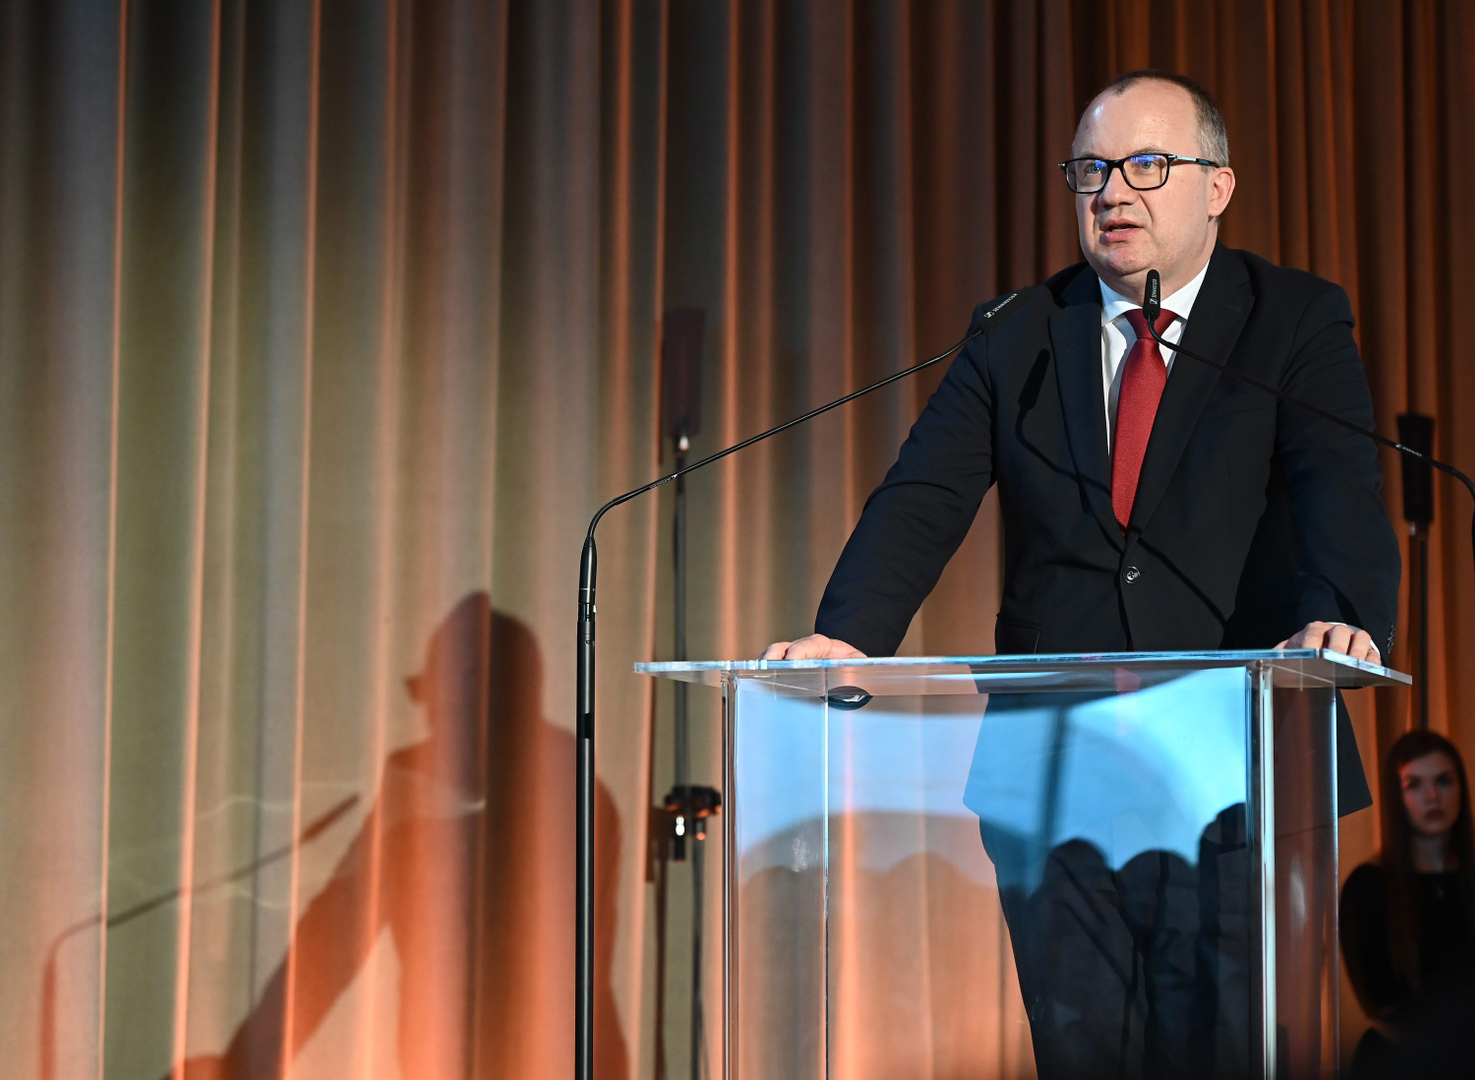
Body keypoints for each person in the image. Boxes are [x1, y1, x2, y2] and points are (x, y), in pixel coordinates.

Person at [764, 70, 1401, 1078]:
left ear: (1216, 187)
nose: (1111, 192)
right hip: (1053, 770)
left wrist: (1341, 617)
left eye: (1145, 164)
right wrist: (848, 633)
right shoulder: (1018, 329)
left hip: (1232, 764)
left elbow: (1336, 481)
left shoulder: (1289, 319)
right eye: (1090, 170)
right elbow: (924, 494)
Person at [1340, 730, 1475, 1077]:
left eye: (1443, 781)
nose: (1432, 796)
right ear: (1396, 797)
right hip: (1403, 1061)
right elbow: (1379, 1001)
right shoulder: (1368, 887)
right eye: (1414, 785)